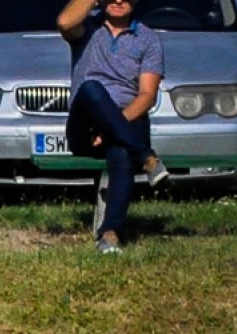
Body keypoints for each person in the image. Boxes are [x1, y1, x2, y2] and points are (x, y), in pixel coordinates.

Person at [58, 0, 169, 254]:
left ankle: (110, 233)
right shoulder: (86, 27)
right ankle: (147, 157)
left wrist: (110, 127)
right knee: (91, 88)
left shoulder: (148, 39)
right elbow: (64, 23)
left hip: (126, 123)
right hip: (85, 126)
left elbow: (147, 96)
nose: (118, 0)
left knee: (120, 151)